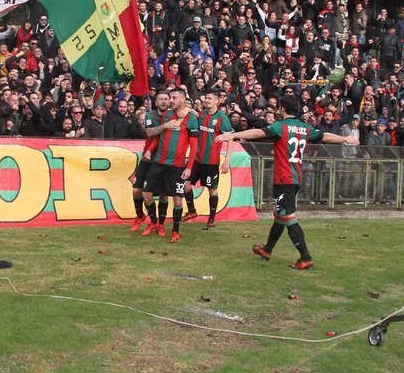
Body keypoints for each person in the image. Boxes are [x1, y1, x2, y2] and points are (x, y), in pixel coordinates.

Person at [216, 93, 359, 269]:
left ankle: (305, 257)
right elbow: (325, 136)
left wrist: (232, 135)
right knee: (279, 215)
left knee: (287, 216)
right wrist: (345, 138)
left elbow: (259, 132)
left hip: (284, 179)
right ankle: (267, 249)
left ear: (282, 109)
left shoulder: (281, 127)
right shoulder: (305, 128)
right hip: (295, 177)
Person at [141, 87, 198, 243]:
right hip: (159, 162)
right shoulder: (166, 115)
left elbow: (194, 146)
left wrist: (189, 167)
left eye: (173, 98)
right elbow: (159, 137)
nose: (170, 100)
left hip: (177, 166)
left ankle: (175, 231)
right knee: (147, 194)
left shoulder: (191, 119)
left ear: (182, 99)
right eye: (169, 97)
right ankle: (154, 223)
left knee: (177, 199)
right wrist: (150, 150)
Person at [183, 89, 232, 227]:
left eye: (210, 99)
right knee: (186, 185)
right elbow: (195, 114)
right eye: (206, 98)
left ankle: (211, 219)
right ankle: (192, 211)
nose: (207, 100)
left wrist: (227, 161)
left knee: (212, 190)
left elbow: (230, 139)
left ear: (217, 101)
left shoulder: (222, 118)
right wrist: (187, 108)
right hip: (197, 160)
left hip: (211, 162)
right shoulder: (202, 115)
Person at [130, 90, 170, 234]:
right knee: (137, 190)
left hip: (165, 159)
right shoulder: (150, 115)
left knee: (163, 194)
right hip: (148, 157)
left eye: (166, 99)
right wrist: (165, 127)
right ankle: (140, 216)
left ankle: (160, 224)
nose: (163, 101)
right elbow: (149, 132)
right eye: (160, 99)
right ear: (156, 102)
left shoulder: (173, 116)